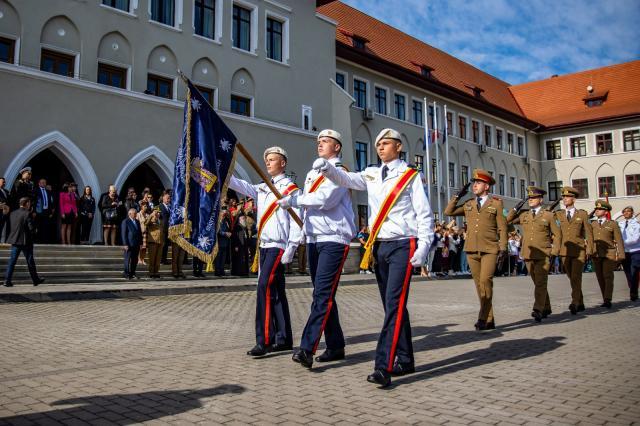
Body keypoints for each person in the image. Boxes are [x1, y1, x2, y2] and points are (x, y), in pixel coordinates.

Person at [314, 128, 433, 388]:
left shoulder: (410, 176)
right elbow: (345, 179)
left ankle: (383, 366)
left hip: (404, 243)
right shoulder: (371, 173)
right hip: (379, 246)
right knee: (394, 305)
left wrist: (424, 247)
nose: (380, 148)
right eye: (378, 144)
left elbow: (424, 214)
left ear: (398, 147)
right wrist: (326, 168)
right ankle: (405, 358)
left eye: (386, 143)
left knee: (394, 304)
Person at [277, 129, 356, 369]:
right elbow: (309, 208)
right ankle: (336, 345)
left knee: (321, 295)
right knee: (325, 294)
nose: (320, 144)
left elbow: (326, 200)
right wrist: (299, 235)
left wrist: (294, 199)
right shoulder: (313, 173)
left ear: (337, 147)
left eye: (326, 141)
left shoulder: (340, 173)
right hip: (314, 238)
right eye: (319, 141)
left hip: (334, 238)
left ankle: (307, 348)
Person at [229, 146, 303, 357]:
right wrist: (224, 171)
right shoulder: (263, 187)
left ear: (283, 163)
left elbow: (297, 220)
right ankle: (284, 338)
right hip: (264, 245)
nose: (268, 163)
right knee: (277, 292)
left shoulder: (290, 189)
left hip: (278, 246)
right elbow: (242, 186)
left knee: (264, 288)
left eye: (272, 159)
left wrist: (292, 246)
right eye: (267, 159)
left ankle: (264, 340)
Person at [444, 169, 507, 330]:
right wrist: (458, 195)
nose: (475, 185)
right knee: (479, 285)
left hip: (490, 248)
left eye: (478, 183)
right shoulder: (469, 204)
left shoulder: (496, 204)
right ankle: (490, 319)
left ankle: (482, 317)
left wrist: (503, 248)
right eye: (474, 183)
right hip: (471, 248)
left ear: (487, 186)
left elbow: (502, 228)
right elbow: (448, 211)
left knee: (486, 282)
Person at [506, 187, 561, 322]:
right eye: (529, 198)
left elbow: (558, 235)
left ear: (540, 200)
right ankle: (546, 306)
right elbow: (508, 220)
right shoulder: (524, 215)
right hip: (528, 253)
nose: (530, 200)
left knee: (541, 282)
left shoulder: (548, 215)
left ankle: (538, 309)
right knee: (537, 282)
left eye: (533, 198)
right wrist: (516, 208)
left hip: (543, 254)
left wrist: (554, 252)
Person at [555, 187, 593, 315]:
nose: (565, 199)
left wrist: (589, 249)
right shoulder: (559, 214)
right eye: (563, 197)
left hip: (579, 251)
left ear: (574, 199)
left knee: (576, 277)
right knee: (571, 277)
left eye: (567, 197)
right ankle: (580, 302)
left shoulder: (582, 214)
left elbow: (589, 233)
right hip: (564, 251)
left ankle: (575, 303)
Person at [3, 197, 45, 287]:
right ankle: (35, 280)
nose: (30, 205)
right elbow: (31, 229)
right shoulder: (27, 213)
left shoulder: (13, 213)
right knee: (30, 261)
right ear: (26, 204)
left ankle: (7, 280)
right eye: (29, 203)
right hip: (26, 241)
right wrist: (35, 228)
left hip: (15, 240)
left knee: (12, 261)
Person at [591, 200, 625, 308]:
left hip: (609, 253)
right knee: (600, 277)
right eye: (596, 209)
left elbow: (619, 240)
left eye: (600, 209)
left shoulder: (612, 224)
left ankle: (607, 299)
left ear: (606, 212)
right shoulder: (592, 224)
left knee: (607, 276)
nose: (597, 211)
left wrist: (621, 254)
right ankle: (604, 297)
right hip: (596, 254)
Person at [620, 206, 640, 301]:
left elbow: (635, 239)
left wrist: (621, 243)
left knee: (634, 271)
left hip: (635, 251)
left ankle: (633, 293)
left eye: (629, 211)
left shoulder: (637, 224)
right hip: (624, 252)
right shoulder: (620, 224)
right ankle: (633, 289)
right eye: (625, 211)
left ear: (632, 213)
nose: (626, 213)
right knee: (628, 273)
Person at [121, 207, 143, 279]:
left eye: (136, 213)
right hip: (129, 244)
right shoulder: (126, 221)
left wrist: (141, 243)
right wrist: (125, 244)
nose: (136, 215)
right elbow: (123, 234)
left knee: (134, 260)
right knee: (127, 259)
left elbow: (139, 233)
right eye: (134, 213)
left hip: (136, 244)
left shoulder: (137, 221)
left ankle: (132, 273)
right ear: (129, 214)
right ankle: (126, 273)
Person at [34, 178, 55, 244]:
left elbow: (51, 202)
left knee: (46, 227)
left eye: (45, 182)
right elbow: (34, 202)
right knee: (38, 226)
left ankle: (44, 241)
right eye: (42, 182)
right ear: (39, 183)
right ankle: (37, 240)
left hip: (46, 211)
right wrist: (34, 211)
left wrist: (51, 212)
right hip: (39, 211)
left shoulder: (48, 191)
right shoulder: (36, 191)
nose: (43, 183)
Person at [145, 207, 164, 278]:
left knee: (158, 258)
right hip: (153, 241)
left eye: (159, 212)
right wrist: (151, 215)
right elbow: (146, 223)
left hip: (160, 241)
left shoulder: (161, 220)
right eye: (156, 212)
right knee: (152, 258)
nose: (158, 214)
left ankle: (156, 272)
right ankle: (151, 272)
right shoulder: (151, 219)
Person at [214, 209, 232, 276]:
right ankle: (217, 271)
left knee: (223, 257)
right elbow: (218, 231)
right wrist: (225, 233)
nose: (225, 215)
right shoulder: (218, 221)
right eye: (224, 214)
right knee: (218, 257)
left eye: (226, 214)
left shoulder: (226, 221)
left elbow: (229, 228)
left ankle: (221, 270)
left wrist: (229, 233)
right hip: (219, 242)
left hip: (225, 242)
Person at [136, 200, 151, 265]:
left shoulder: (148, 215)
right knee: (140, 247)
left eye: (146, 206)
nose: (146, 207)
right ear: (141, 207)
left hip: (146, 232)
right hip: (140, 233)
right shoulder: (138, 214)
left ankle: (143, 259)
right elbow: (136, 224)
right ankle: (139, 259)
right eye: (144, 206)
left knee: (144, 248)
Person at [159, 191, 171, 264]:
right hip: (162, 228)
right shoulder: (160, 206)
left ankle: (164, 259)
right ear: (163, 198)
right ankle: (161, 260)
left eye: (169, 198)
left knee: (166, 245)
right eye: (167, 198)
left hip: (168, 229)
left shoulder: (170, 207)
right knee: (163, 245)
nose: (169, 200)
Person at [0, 177, 9, 243]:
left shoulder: (6, 191)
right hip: (0, 212)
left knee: (4, 228)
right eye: (3, 182)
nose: (4, 183)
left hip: (6, 213)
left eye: (4, 182)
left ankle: (3, 242)